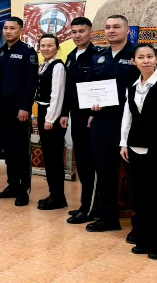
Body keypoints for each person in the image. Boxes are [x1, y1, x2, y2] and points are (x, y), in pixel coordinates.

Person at [120, 43, 157, 260]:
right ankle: (143, 240)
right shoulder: (132, 87)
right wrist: (123, 143)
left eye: (149, 56)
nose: (145, 61)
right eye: (141, 57)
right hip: (134, 148)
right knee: (139, 197)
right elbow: (127, 117)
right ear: (134, 61)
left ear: (156, 59)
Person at [86, 15, 140, 233]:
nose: (111, 30)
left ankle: (140, 226)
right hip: (103, 121)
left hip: (130, 122)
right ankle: (108, 218)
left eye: (116, 27)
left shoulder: (137, 55)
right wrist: (92, 108)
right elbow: (91, 86)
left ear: (127, 31)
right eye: (108, 27)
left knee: (135, 174)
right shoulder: (99, 56)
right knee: (104, 171)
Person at [60, 17, 102, 224]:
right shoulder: (70, 56)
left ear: (90, 33)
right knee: (82, 162)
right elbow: (68, 89)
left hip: (91, 118)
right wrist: (64, 113)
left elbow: (101, 87)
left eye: (81, 31)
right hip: (76, 116)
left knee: (91, 163)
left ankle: (90, 208)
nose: (77, 35)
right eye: (74, 32)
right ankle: (86, 204)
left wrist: (97, 114)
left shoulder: (98, 56)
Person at [0, 17, 38, 206]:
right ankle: (12, 185)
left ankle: (24, 190)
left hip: (20, 109)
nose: (8, 31)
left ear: (21, 30)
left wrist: (25, 107)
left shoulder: (27, 52)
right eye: (5, 28)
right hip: (3, 109)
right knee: (9, 149)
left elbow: (32, 82)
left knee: (21, 151)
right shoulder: (1, 51)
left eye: (12, 28)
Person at [34, 34, 67, 211]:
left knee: (54, 157)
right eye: (43, 45)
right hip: (42, 112)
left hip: (51, 115)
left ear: (57, 48)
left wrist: (50, 118)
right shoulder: (44, 65)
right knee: (48, 156)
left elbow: (57, 94)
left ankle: (58, 197)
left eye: (50, 45)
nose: (46, 49)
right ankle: (53, 194)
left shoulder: (58, 66)